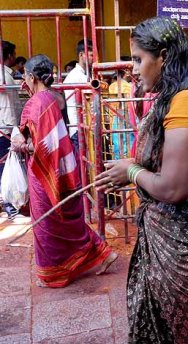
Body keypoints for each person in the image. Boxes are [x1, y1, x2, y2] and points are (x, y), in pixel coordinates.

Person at [95, 17, 188, 342]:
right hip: (179, 241)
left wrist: (132, 172)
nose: (133, 68)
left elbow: (176, 188)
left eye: (138, 59)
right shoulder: (174, 95)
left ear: (162, 56)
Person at [11, 54, 117, 288]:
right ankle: (103, 253)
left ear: (31, 76)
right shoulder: (52, 97)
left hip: (45, 171)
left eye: (26, 77)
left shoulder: (35, 103)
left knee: (48, 224)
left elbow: (38, 144)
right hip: (63, 167)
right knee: (66, 222)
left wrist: (20, 145)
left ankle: (54, 273)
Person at [0, 40, 21, 219]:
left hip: (4, 127)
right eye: (13, 54)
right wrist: (15, 131)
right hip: (5, 129)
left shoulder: (7, 75)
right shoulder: (4, 76)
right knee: (5, 166)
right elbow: (10, 108)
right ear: (9, 56)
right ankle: (8, 204)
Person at [63, 39, 93, 151]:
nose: (93, 59)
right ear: (81, 55)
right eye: (91, 55)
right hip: (79, 128)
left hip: (83, 127)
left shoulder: (82, 75)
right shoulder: (76, 77)